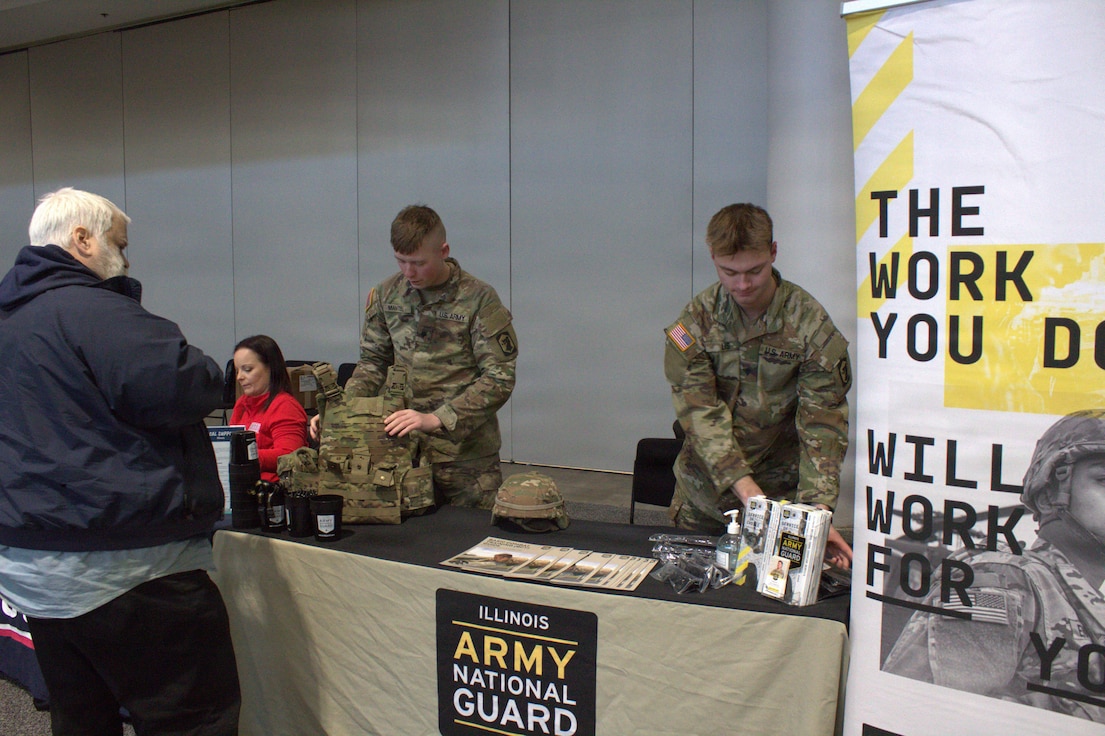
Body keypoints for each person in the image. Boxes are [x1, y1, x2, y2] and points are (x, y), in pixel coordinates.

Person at [0, 188, 240, 734]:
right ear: (82, 239)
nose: (127, 260)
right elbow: (187, 383)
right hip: (128, 569)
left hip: (35, 571)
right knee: (190, 718)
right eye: (120, 244)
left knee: (82, 716)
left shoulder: (10, 321)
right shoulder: (96, 312)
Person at [882, 409, 1105, 722]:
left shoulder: (1084, 606)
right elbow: (950, 719)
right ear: (1049, 495)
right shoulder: (1003, 578)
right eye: (1104, 479)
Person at [664, 203, 853, 568]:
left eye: (755, 270)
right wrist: (747, 492)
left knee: (773, 604)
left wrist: (818, 512)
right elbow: (701, 415)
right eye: (729, 272)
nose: (743, 284)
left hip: (780, 502)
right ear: (712, 256)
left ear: (774, 252)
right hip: (704, 496)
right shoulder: (696, 323)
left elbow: (822, 424)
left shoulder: (810, 327)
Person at [313, 204, 517, 508]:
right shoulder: (386, 295)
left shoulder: (479, 299)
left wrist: (437, 419)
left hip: (465, 457)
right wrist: (343, 412)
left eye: (418, 262)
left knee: (470, 543)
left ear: (443, 250)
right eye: (401, 261)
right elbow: (372, 363)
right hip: (400, 451)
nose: (409, 272)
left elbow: (499, 377)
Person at [231, 334, 309, 483]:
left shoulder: (285, 406)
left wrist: (245, 456)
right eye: (237, 370)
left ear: (270, 368)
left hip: (272, 492)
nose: (239, 377)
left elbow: (290, 456)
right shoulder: (242, 403)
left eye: (247, 369)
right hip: (243, 485)